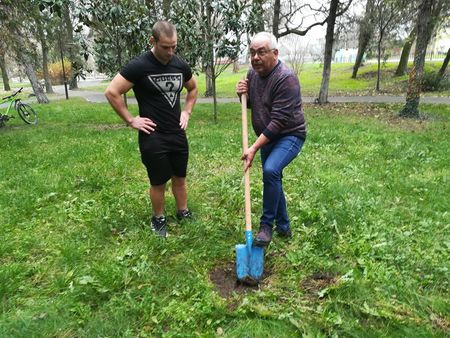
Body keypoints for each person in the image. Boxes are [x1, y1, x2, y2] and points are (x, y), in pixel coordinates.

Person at [105, 21, 198, 237]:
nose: (170, 51)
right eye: (165, 47)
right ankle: (158, 218)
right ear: (152, 41)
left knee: (180, 177)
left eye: (174, 46)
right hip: (152, 135)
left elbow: (193, 88)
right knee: (158, 181)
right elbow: (112, 92)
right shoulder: (139, 66)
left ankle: (182, 212)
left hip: (176, 132)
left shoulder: (179, 65)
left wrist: (186, 112)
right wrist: (130, 120)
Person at [235, 32, 307, 247]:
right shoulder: (252, 74)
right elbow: (253, 105)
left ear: (275, 53)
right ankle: (284, 227)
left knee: (271, 171)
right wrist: (242, 95)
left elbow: (279, 121)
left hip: (289, 134)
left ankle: (266, 226)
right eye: (252, 53)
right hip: (267, 136)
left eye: (261, 52)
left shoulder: (286, 78)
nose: (255, 57)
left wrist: (254, 148)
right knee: (273, 176)